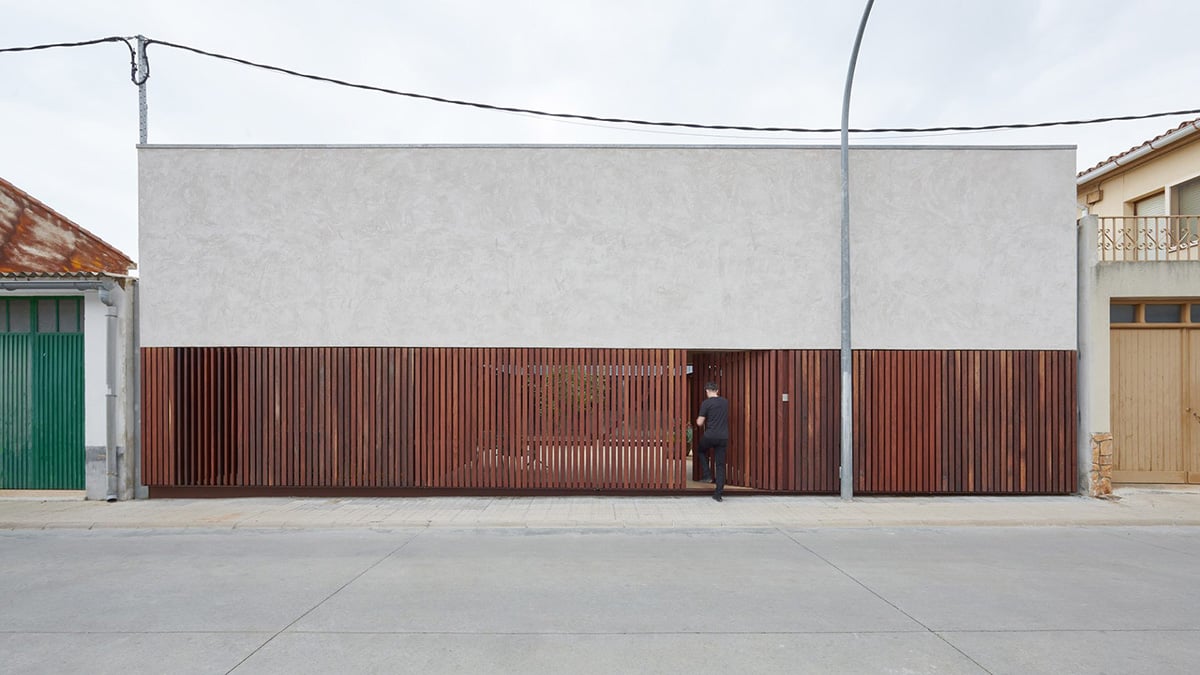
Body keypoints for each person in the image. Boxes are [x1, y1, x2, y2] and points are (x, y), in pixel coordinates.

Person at [695, 381, 729, 502]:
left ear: (707, 391)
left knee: (700, 450)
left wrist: (698, 420)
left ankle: (707, 474)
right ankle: (718, 494)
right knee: (720, 465)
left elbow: (699, 422)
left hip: (710, 436)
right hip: (723, 437)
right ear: (717, 390)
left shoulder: (706, 403)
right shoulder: (725, 402)